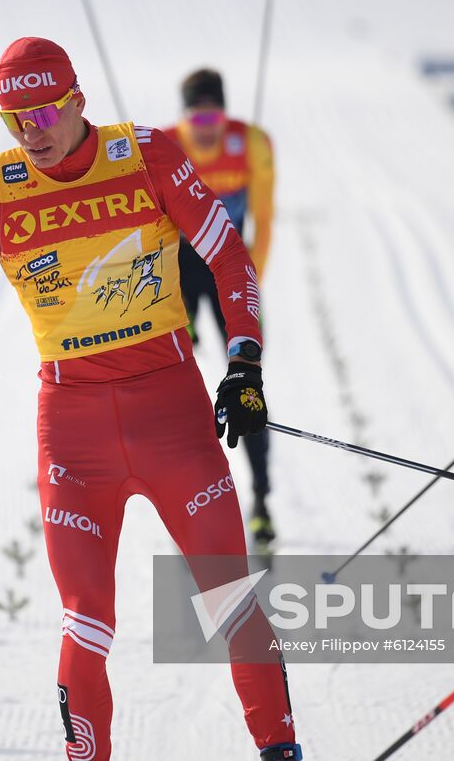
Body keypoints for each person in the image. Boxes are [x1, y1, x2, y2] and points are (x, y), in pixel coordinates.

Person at [0, 37, 301, 761]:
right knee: (87, 621)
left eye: (45, 110)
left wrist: (244, 363)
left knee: (230, 597)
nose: (32, 130)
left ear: (78, 101)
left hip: (172, 413)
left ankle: (281, 751)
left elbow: (229, 254)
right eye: (14, 116)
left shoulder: (147, 154)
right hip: (74, 431)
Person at [161, 69, 279, 549]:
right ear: (185, 117)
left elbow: (265, 220)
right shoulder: (165, 144)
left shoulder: (251, 142)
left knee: (247, 385)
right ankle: (181, 502)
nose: (207, 127)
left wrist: (249, 290)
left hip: (228, 267)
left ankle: (261, 500)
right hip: (179, 273)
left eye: (214, 115)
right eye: (197, 117)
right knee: (171, 388)